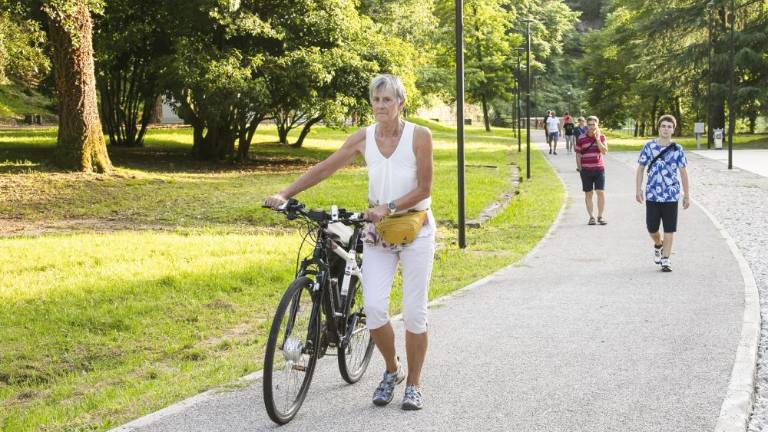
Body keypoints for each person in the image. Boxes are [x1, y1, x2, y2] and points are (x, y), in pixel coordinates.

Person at [264, 74, 435, 410]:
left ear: (401, 103)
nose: (381, 106)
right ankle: (392, 370)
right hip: (377, 231)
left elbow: (425, 189)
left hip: (415, 228)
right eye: (376, 100)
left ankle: (414, 383)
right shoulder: (363, 138)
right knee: (373, 308)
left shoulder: (420, 136)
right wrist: (285, 193)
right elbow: (325, 168)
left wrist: (387, 207)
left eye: (388, 100)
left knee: (415, 312)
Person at [635, 114, 690, 272]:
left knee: (669, 228)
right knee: (651, 227)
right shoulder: (649, 147)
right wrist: (638, 189)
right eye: (663, 126)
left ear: (673, 129)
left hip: (671, 195)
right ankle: (658, 244)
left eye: (669, 126)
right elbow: (640, 169)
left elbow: (684, 173)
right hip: (652, 194)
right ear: (658, 128)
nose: (666, 129)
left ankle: (666, 259)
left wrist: (687, 195)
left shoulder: (677, 149)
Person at [574, 115, 608, 225]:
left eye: (593, 124)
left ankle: (600, 216)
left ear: (597, 125)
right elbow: (578, 154)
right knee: (588, 194)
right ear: (586, 125)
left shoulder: (602, 137)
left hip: (599, 169)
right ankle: (591, 217)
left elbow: (604, 151)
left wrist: (597, 139)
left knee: (600, 192)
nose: (591, 127)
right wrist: (580, 168)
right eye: (589, 125)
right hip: (586, 170)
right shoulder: (581, 138)